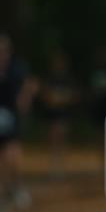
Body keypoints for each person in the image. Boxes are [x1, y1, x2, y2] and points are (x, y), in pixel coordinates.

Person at [0, 33, 36, 211]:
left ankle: (16, 187)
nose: (0, 54)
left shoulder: (16, 67)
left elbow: (30, 84)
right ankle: (0, 193)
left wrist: (24, 100)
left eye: (3, 50)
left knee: (13, 154)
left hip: (12, 114)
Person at [38, 48, 80, 179]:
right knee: (52, 140)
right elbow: (45, 95)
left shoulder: (68, 79)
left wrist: (61, 99)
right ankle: (54, 165)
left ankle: (62, 166)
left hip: (64, 114)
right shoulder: (50, 78)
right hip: (52, 115)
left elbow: (75, 96)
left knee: (62, 139)